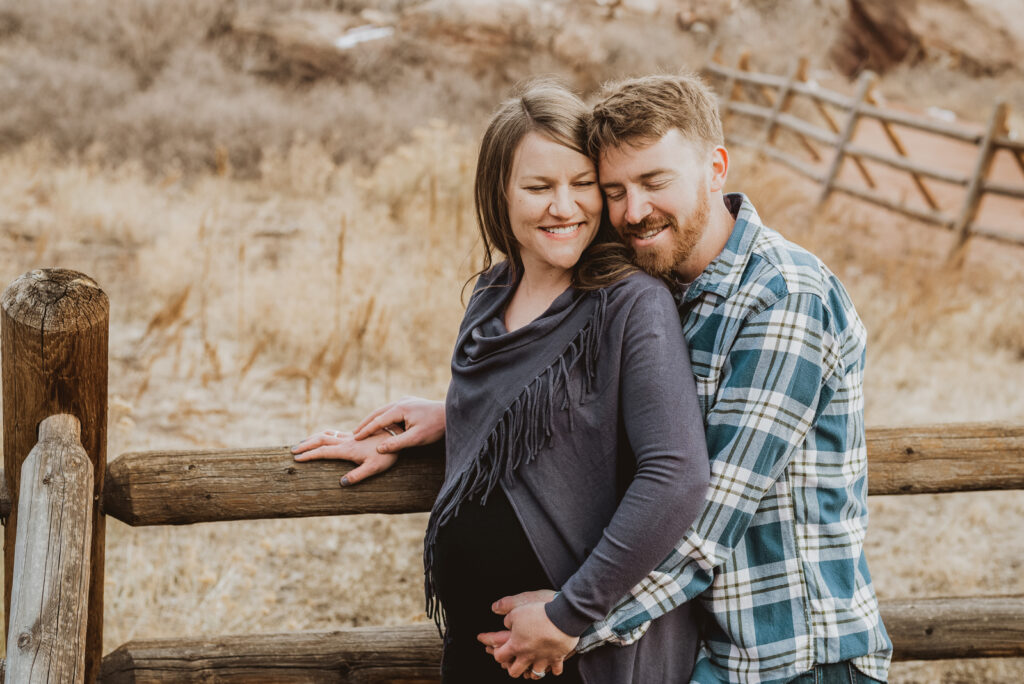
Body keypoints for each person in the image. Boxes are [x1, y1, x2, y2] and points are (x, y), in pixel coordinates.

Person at [361, 72, 893, 683]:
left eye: (654, 182)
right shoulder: (668, 280)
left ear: (717, 167)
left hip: (789, 657)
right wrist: (464, 413)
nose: (633, 210)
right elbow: (595, 397)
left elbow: (704, 514)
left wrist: (569, 620)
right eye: (614, 189)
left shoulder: (782, 298)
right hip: (709, 652)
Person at [292, 78, 710, 683]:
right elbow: (531, 416)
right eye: (539, 187)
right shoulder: (490, 295)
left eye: (582, 184)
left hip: (571, 648)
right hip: (478, 643)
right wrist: (433, 423)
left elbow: (675, 474)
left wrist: (572, 614)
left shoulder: (628, 303)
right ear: (500, 193)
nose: (563, 207)